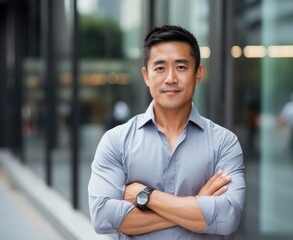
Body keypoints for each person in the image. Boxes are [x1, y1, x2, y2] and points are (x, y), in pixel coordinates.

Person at [88, 25, 246, 240]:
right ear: (146, 76)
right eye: (160, 68)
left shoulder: (224, 142)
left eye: (181, 67)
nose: (170, 78)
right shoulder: (116, 141)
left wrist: (147, 197)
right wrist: (198, 204)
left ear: (198, 74)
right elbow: (103, 217)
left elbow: (227, 218)